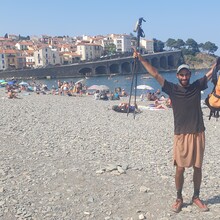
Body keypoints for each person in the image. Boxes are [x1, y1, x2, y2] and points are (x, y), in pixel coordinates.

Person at [134, 50, 216, 213]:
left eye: (187, 75)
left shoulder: (196, 86)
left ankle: (196, 197)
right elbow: (155, 73)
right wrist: (141, 59)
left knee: (197, 167)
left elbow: (211, 72)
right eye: (181, 75)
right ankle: (179, 198)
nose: (184, 77)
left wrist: (217, 63)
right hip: (181, 134)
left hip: (198, 132)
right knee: (180, 168)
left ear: (190, 75)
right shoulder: (171, 88)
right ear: (177, 76)